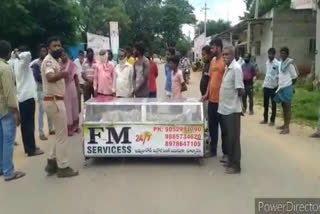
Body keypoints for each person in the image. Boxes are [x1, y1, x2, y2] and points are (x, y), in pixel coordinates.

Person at [41, 36, 78, 178]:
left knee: (58, 134)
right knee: (62, 137)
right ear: (49, 48)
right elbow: (50, 77)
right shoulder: (49, 61)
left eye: (59, 45)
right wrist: (62, 73)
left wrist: (62, 68)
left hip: (55, 100)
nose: (58, 48)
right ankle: (63, 166)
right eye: (54, 46)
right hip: (54, 101)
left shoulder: (55, 61)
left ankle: (51, 162)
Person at [0, 40, 26, 181]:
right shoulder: (5, 68)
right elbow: (9, 93)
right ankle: (9, 172)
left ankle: (1, 168)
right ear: (8, 53)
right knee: (9, 140)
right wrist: (16, 111)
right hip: (5, 108)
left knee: (1, 139)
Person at [12, 46, 44, 157]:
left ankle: (30, 147)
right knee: (29, 125)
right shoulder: (22, 62)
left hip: (23, 97)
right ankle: (31, 150)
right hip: (27, 97)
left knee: (26, 125)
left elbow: (25, 56)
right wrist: (19, 53)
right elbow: (28, 55)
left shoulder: (16, 62)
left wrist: (16, 54)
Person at [219, 46, 244, 174]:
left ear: (233, 55)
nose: (224, 57)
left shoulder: (236, 68)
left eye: (227, 54)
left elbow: (240, 89)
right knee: (228, 137)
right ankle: (230, 160)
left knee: (234, 138)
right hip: (224, 108)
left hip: (232, 109)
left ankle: (236, 166)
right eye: (223, 55)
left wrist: (239, 105)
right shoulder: (227, 68)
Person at [201, 38, 227, 160]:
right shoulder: (212, 62)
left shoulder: (224, 62)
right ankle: (213, 150)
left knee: (224, 128)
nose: (211, 50)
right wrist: (206, 94)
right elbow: (211, 80)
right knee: (212, 127)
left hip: (221, 101)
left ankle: (226, 153)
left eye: (213, 48)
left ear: (219, 47)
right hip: (212, 100)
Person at [30, 44, 55, 141]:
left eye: (45, 51)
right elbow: (37, 77)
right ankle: (41, 132)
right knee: (41, 112)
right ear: (39, 52)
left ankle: (51, 128)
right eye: (42, 51)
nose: (43, 53)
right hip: (41, 90)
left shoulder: (49, 62)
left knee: (50, 110)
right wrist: (48, 77)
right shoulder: (36, 63)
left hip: (49, 90)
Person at [274, 47, 298, 135]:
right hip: (281, 88)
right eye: (281, 53)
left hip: (287, 88)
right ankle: (284, 125)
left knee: (287, 108)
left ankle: (287, 128)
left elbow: (295, 77)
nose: (282, 54)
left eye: (284, 53)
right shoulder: (281, 63)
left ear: (287, 54)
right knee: (283, 107)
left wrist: (290, 86)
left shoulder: (289, 64)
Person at [61, 49, 80, 137]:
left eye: (65, 55)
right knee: (67, 107)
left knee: (74, 105)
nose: (63, 57)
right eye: (62, 55)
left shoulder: (71, 64)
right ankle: (69, 128)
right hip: (63, 87)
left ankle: (76, 126)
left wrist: (78, 88)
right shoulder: (58, 65)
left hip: (72, 86)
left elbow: (76, 77)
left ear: (67, 55)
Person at [260, 48, 279, 126]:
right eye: (269, 54)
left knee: (273, 104)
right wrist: (263, 84)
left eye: (271, 54)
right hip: (266, 86)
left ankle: (272, 120)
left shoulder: (277, 63)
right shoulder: (267, 62)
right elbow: (267, 74)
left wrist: (277, 80)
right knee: (265, 104)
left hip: (273, 87)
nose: (270, 55)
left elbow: (279, 74)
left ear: (274, 55)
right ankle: (265, 119)